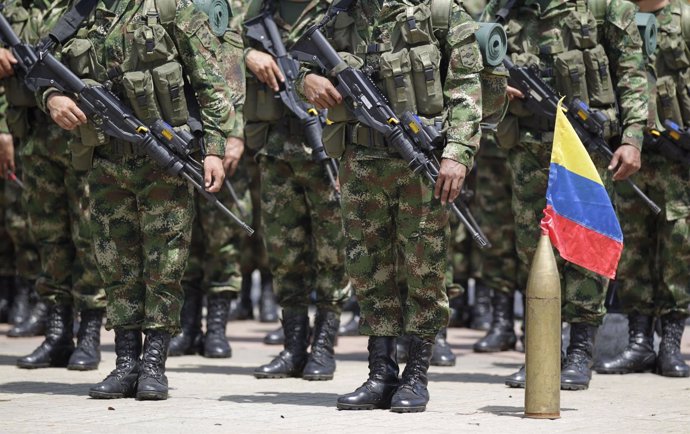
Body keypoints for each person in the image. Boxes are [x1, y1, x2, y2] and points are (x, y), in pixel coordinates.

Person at [43, 0, 240, 400]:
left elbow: (210, 81)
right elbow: (43, 68)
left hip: (164, 162)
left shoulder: (172, 9)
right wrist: (51, 98)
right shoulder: (79, 14)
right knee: (117, 265)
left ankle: (154, 365)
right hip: (105, 159)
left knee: (164, 265)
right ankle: (125, 363)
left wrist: (215, 148)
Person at [303, 0, 483, 412]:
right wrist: (306, 82)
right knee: (368, 268)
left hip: (421, 161)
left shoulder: (441, 13)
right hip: (360, 161)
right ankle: (380, 373)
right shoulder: (340, 13)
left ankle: (416, 375)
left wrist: (458, 151)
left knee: (425, 268)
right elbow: (298, 61)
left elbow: (466, 86)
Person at [481, 0, 649, 390]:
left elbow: (633, 74)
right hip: (528, 148)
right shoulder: (504, 8)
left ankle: (579, 352)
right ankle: (542, 351)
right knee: (533, 248)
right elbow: (471, 66)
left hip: (585, 149)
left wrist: (633, 137)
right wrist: (491, 87)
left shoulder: (607, 7)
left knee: (585, 246)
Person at [243, 0, 349, 382]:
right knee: (285, 256)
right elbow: (215, 49)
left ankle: (323, 347)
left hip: (327, 150)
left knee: (332, 253)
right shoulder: (260, 10)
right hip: (276, 151)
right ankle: (293, 347)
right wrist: (248, 54)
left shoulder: (338, 8)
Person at [594, 0, 690, 378]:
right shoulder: (616, 15)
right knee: (631, 249)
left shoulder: (683, 19)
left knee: (679, 249)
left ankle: (670, 343)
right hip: (629, 155)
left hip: (678, 161)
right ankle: (638, 343)